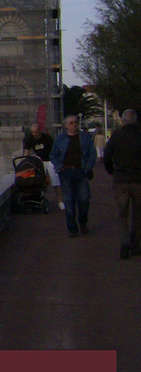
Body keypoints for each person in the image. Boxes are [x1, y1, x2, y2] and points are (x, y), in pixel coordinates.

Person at [103, 109, 141, 259]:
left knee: (122, 214)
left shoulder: (116, 136)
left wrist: (112, 170)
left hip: (121, 180)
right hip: (139, 180)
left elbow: (107, 156)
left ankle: (125, 243)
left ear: (123, 120)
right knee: (138, 215)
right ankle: (136, 244)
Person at [50, 115, 97, 237]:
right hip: (66, 172)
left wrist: (87, 168)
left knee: (84, 199)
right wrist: (59, 167)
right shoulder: (60, 139)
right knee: (69, 201)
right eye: (71, 123)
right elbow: (53, 155)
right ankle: (72, 228)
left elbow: (92, 154)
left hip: (81, 172)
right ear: (66, 125)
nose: (74, 125)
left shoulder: (85, 138)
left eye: (75, 122)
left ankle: (83, 222)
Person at [23, 122, 59, 207]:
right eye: (33, 132)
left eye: (36, 132)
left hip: (49, 159)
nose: (34, 134)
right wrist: (26, 162)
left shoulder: (46, 137)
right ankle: (40, 196)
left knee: (55, 179)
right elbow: (26, 152)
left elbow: (54, 149)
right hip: (38, 161)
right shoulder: (30, 138)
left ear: (39, 131)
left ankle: (60, 200)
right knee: (37, 178)